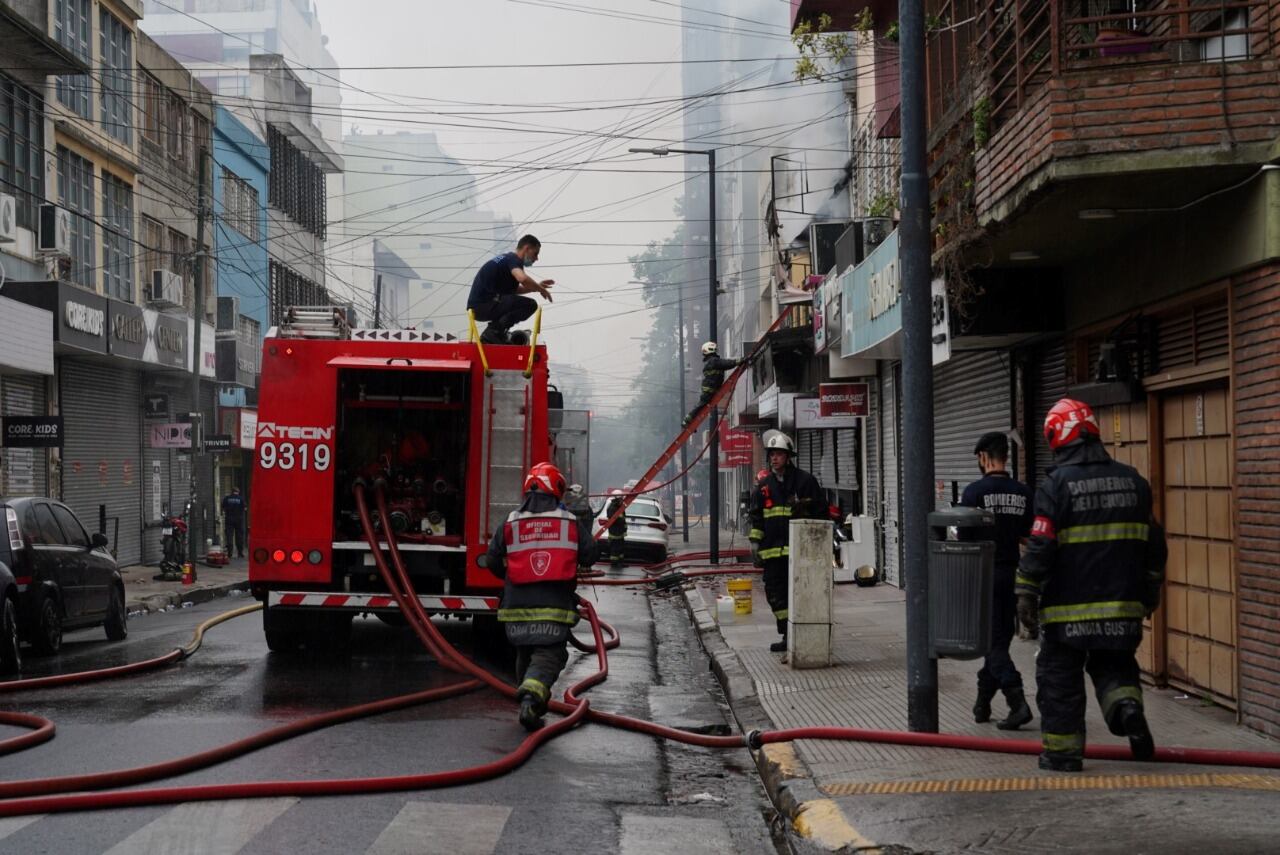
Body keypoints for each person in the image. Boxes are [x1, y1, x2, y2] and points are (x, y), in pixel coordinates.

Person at [1015, 398, 1167, 772]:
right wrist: (1150, 593)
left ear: (1056, 437)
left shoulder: (1056, 486)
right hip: (1123, 607)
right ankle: (1127, 709)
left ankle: (1063, 755)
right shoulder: (1134, 481)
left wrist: (1026, 591)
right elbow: (1155, 547)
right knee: (1115, 666)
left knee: (1059, 679)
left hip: (1068, 612)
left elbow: (1041, 544)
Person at [486, 462, 597, 730]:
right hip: (553, 607)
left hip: (515, 608)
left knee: (525, 650)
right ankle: (530, 699)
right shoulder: (569, 522)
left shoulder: (511, 521)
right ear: (557, 488)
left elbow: (492, 561)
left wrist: (513, 578)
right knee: (551, 654)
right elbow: (592, 555)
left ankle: (529, 701)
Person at [959, 431, 1034, 730]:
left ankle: (1018, 702)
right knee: (999, 639)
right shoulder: (1024, 493)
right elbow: (1029, 537)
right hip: (1012, 575)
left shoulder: (974, 493)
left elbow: (962, 537)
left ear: (983, 457)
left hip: (983, 575)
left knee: (992, 645)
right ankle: (982, 705)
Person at [748, 431, 826, 653]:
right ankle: (786, 634)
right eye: (772, 454)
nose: (774, 458)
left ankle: (799, 634)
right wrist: (755, 544)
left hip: (800, 553)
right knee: (775, 594)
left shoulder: (805, 481)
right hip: (773, 555)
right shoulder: (763, 487)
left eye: (779, 454)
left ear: (788, 456)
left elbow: (820, 514)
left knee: (801, 593)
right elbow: (757, 518)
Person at [466, 235, 554, 345]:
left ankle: (495, 332)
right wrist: (541, 289)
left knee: (514, 302)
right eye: (535, 253)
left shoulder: (506, 259)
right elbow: (522, 278)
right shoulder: (514, 260)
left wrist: (535, 288)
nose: (536, 258)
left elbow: (515, 290)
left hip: (480, 307)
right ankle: (494, 332)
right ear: (526, 249)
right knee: (530, 305)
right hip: (484, 305)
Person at [683, 342, 744, 428]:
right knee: (701, 405)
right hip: (710, 389)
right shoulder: (713, 361)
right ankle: (687, 420)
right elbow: (726, 364)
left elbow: (724, 365)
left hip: (710, 389)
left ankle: (689, 420)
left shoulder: (710, 361)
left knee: (701, 406)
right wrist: (738, 361)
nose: (716, 351)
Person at [604, 489, 628, 568]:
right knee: (615, 548)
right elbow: (614, 519)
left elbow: (623, 518)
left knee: (621, 548)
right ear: (616, 499)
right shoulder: (612, 508)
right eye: (621, 498)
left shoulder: (619, 507)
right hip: (615, 532)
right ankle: (614, 563)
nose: (622, 500)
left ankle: (620, 562)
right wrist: (621, 521)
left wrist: (624, 528)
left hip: (620, 532)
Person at [221, 487, 247, 558]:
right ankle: (240, 553)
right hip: (239, 519)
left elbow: (223, 507)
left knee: (229, 535)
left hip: (229, 519)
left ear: (231, 491)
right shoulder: (241, 499)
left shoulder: (227, 498)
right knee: (239, 536)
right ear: (238, 492)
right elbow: (245, 508)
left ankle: (230, 553)